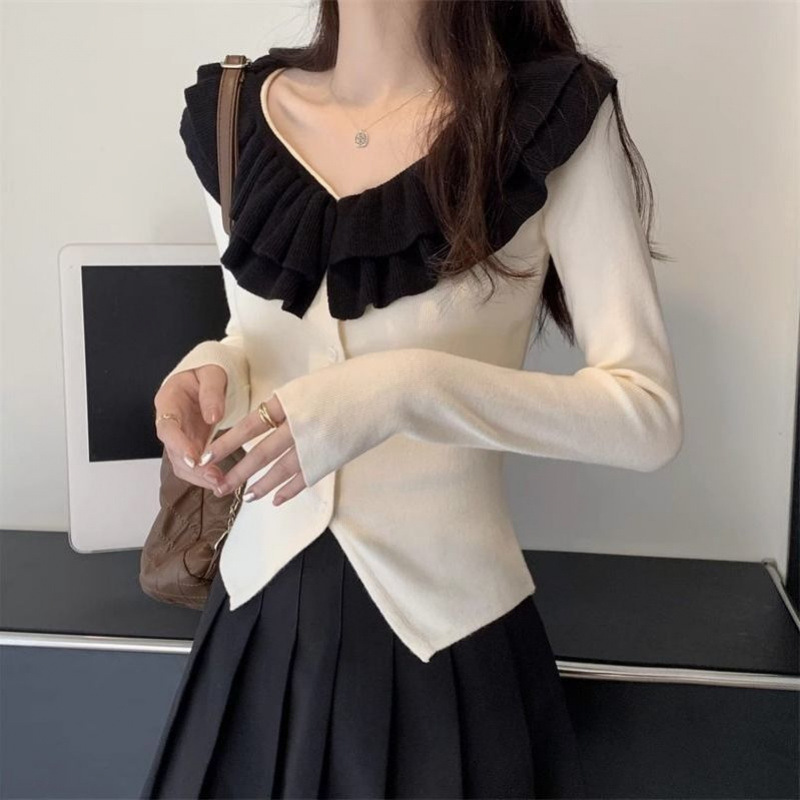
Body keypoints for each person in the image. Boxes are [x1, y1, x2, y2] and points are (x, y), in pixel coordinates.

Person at [141, 1, 684, 797]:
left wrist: (406, 389)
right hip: (254, 627)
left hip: (450, 646)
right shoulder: (235, 115)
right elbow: (259, 334)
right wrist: (208, 369)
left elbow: (647, 418)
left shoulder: (546, 114)